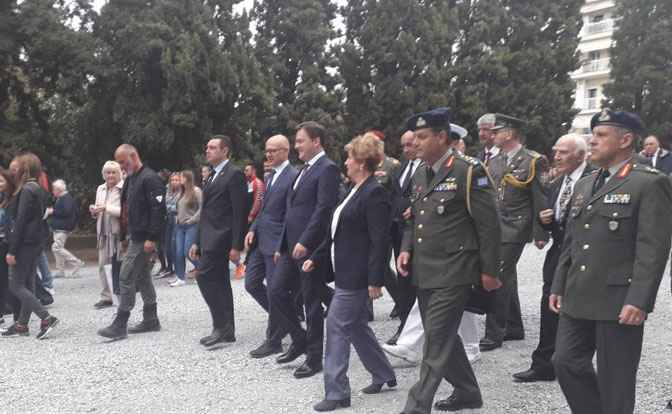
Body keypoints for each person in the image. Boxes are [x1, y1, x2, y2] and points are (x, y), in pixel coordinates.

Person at [550, 109, 672, 414]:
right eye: (593, 134)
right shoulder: (585, 183)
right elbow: (572, 241)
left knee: (615, 379)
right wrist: (559, 283)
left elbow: (653, 248)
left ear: (625, 140)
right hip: (579, 292)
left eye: (601, 135)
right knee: (564, 361)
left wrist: (640, 299)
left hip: (618, 297)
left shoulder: (648, 183)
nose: (592, 141)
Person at [396, 108, 501, 414]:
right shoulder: (421, 172)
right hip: (425, 269)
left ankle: (416, 407)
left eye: (421, 137)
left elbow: (489, 225)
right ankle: (468, 392)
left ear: (442, 137)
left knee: (436, 340)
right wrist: (405, 248)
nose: (415, 143)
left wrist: (490, 271)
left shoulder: (468, 170)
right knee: (439, 334)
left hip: (456, 270)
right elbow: (414, 218)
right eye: (414, 137)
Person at [305, 133, 396, 412]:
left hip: (356, 276)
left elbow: (380, 240)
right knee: (356, 326)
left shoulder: (374, 192)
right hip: (344, 271)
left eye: (349, 158)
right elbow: (336, 233)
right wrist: (316, 257)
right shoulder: (354, 190)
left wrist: (375, 280)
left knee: (336, 326)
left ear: (362, 162)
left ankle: (337, 392)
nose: (345, 163)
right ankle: (383, 373)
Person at [512, 133, 594, 383]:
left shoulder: (595, 180)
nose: (556, 157)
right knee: (549, 308)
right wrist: (543, 221)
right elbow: (555, 224)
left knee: (582, 314)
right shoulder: (558, 184)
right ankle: (544, 365)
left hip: (585, 258)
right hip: (557, 256)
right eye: (556, 151)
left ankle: (575, 365)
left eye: (563, 152)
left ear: (580, 155)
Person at [269, 121, 341, 379]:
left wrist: (307, 242)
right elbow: (291, 212)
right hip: (291, 247)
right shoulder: (303, 170)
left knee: (311, 303)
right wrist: (282, 244)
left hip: (310, 248)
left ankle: (314, 358)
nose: (296, 146)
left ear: (316, 141)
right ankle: (299, 340)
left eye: (300, 141)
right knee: (275, 291)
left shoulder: (328, 168)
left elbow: (323, 209)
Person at [480, 113, 550, 352]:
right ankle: (514, 326)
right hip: (496, 226)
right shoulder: (495, 161)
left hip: (517, 226)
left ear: (509, 133)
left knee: (497, 274)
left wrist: (541, 233)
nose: (492, 135)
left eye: (496, 131)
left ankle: (493, 333)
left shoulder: (532, 161)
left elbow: (540, 197)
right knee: (507, 275)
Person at [97, 144, 166, 340]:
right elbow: (126, 210)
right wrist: (123, 236)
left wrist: (151, 238)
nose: (121, 166)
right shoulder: (131, 179)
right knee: (143, 277)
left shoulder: (150, 178)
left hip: (144, 238)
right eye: (119, 162)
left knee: (126, 277)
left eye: (122, 161)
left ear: (133, 156)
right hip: (134, 237)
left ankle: (121, 323)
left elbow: (158, 211)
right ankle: (151, 318)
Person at [189, 135, 247, 346]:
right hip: (208, 236)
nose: (207, 151)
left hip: (222, 236)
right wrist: (196, 241)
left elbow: (239, 212)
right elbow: (206, 211)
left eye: (212, 147)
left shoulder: (234, 174)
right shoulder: (213, 175)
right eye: (207, 147)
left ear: (225, 151)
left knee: (204, 276)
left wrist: (236, 245)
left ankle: (221, 325)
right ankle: (226, 330)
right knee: (221, 282)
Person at [244, 135, 298, 358]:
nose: (268, 154)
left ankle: (274, 339)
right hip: (261, 239)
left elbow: (290, 215)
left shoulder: (292, 176)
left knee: (275, 290)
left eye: (273, 150)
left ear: (285, 151)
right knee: (251, 283)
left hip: (276, 242)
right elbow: (264, 210)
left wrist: (282, 244)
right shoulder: (272, 176)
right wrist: (253, 229)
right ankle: (286, 319)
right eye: (266, 150)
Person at [2, 153, 59, 339]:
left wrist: (12, 250)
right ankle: (22, 324)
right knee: (28, 283)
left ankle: (46, 318)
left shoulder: (27, 189)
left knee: (16, 285)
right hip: (36, 241)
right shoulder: (39, 187)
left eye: (18, 166)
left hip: (25, 242)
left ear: (25, 168)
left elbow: (21, 221)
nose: (15, 169)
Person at [386, 130, 422, 345]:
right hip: (398, 232)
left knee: (421, 282)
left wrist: (415, 209)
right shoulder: (399, 169)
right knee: (404, 279)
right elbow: (392, 195)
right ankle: (405, 325)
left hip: (421, 233)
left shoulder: (428, 167)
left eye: (410, 145)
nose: (407, 149)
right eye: (404, 146)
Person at [369, 130, 401, 321]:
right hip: (366, 224)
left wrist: (389, 222)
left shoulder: (392, 166)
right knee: (369, 263)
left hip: (385, 225)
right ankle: (366, 311)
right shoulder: (365, 165)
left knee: (381, 264)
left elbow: (395, 197)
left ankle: (401, 299)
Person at [91, 161, 123, 309]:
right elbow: (98, 210)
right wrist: (94, 211)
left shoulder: (123, 188)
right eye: (108, 172)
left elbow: (126, 211)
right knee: (102, 265)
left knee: (121, 265)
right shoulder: (100, 188)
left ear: (119, 173)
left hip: (118, 233)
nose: (110, 175)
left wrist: (107, 208)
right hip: (103, 233)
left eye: (113, 172)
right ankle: (107, 296)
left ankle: (122, 294)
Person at [171, 170, 202, 287]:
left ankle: (202, 270)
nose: (180, 179)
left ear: (188, 178)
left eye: (182, 177)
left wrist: (193, 219)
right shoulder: (181, 192)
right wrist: (177, 217)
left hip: (192, 225)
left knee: (188, 251)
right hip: (180, 226)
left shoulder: (196, 191)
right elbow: (180, 209)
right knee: (178, 252)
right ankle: (180, 278)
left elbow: (202, 207)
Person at [47, 179, 83, 278]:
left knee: (56, 247)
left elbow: (66, 212)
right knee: (58, 248)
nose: (53, 191)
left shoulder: (66, 198)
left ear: (59, 189)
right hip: (59, 226)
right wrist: (52, 212)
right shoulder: (62, 198)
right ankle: (60, 270)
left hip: (63, 226)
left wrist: (53, 212)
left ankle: (76, 262)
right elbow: (60, 212)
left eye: (54, 189)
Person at [235, 162, 265, 279]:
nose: (245, 172)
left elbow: (257, 201)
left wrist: (251, 215)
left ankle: (247, 263)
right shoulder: (247, 183)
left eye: (247, 170)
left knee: (252, 241)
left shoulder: (257, 183)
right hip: (247, 216)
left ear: (253, 171)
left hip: (254, 217)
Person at [0, 168, 22, 325]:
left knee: (11, 282)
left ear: (9, 182)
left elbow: (11, 224)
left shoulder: (13, 200)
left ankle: (18, 319)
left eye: (1, 181)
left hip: (8, 243)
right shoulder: (4, 199)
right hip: (4, 241)